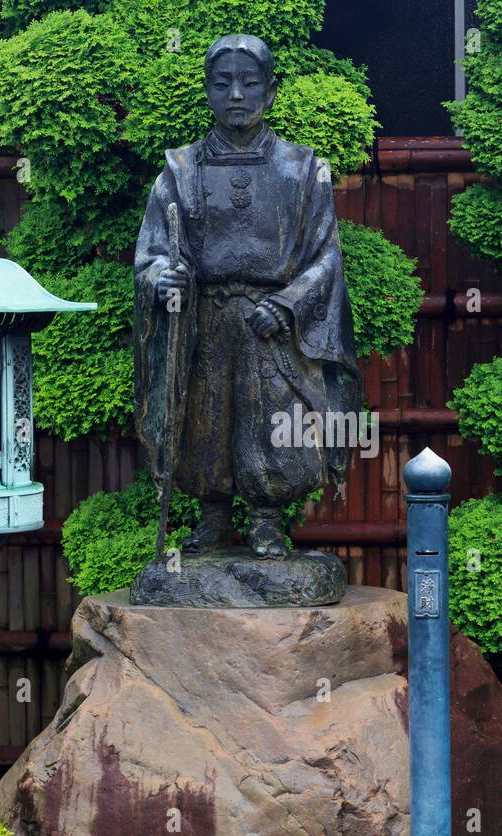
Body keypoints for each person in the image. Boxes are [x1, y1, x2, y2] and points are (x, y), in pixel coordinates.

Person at [133, 33, 361, 559]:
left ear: (271, 90)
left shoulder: (304, 169)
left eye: (250, 82)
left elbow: (326, 257)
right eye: (222, 83)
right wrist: (162, 276)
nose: (236, 93)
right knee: (204, 421)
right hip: (204, 320)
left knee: (273, 421)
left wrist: (286, 304)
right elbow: (152, 252)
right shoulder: (180, 170)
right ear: (208, 92)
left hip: (271, 323)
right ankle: (211, 518)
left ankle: (265, 519)